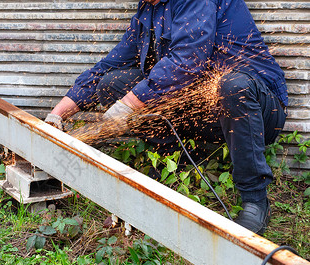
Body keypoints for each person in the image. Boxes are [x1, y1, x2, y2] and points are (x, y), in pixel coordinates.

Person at [44, 0, 287, 235]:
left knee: (233, 86)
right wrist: (58, 114)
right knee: (113, 84)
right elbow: (109, 65)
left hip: (254, 107)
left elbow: (187, 61)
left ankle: (255, 200)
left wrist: (126, 107)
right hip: (200, 106)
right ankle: (173, 163)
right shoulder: (148, 9)